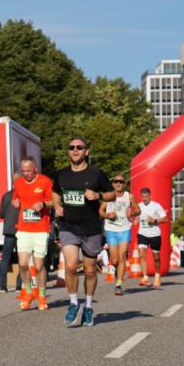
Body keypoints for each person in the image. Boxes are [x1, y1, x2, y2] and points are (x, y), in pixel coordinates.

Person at [52, 137, 115, 327]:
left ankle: (88, 306)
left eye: (79, 147)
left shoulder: (97, 174)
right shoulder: (61, 174)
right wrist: (56, 205)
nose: (75, 150)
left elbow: (112, 193)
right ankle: (73, 303)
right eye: (72, 147)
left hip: (91, 229)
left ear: (86, 151)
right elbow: (55, 192)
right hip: (68, 226)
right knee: (70, 266)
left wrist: (98, 195)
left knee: (89, 270)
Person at [11, 157, 54, 310]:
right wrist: (15, 203)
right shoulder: (18, 183)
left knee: (39, 265)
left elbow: (52, 201)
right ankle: (28, 293)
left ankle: (42, 296)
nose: (26, 174)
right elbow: (15, 199)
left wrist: (42, 204)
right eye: (23, 171)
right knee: (22, 264)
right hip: (23, 229)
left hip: (41, 229)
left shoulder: (45, 181)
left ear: (35, 169)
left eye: (28, 171)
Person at [100, 174, 137, 296]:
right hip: (110, 230)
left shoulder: (129, 197)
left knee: (122, 256)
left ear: (124, 184)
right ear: (113, 184)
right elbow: (100, 211)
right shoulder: (109, 196)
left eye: (121, 182)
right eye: (116, 181)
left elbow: (138, 210)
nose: (118, 184)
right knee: (114, 259)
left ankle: (119, 284)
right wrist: (107, 215)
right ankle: (117, 272)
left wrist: (132, 211)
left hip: (124, 229)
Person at [136, 187, 168, 289]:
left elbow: (165, 219)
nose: (144, 199)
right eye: (143, 197)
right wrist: (135, 220)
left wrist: (154, 221)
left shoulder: (156, 206)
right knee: (141, 254)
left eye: (146, 197)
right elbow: (136, 217)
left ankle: (157, 276)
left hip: (155, 234)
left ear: (150, 196)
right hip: (142, 233)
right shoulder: (139, 206)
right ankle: (145, 277)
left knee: (156, 258)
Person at [0, 174, 21, 292]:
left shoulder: (6, 195)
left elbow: (1, 214)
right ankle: (19, 286)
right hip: (21, 230)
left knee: (5, 258)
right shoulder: (23, 195)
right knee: (22, 259)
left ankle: (3, 286)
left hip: (8, 230)